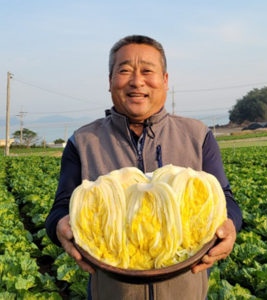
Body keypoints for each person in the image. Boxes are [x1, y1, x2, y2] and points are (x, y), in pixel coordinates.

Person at [46, 35, 242, 300]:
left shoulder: (197, 135)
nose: (137, 81)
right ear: (110, 81)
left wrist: (231, 224)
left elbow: (225, 198)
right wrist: (59, 226)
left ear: (165, 80)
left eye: (147, 71)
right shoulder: (82, 142)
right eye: (124, 70)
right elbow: (61, 207)